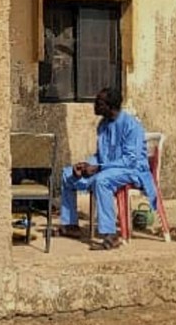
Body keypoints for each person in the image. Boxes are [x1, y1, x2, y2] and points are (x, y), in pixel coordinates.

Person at [57, 87, 159, 250]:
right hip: (108, 168)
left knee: (102, 180)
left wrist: (98, 168)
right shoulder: (102, 125)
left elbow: (130, 160)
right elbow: (101, 155)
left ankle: (110, 236)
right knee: (67, 174)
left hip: (132, 170)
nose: (95, 105)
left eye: (99, 103)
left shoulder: (131, 126)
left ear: (110, 107)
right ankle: (70, 225)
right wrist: (85, 165)